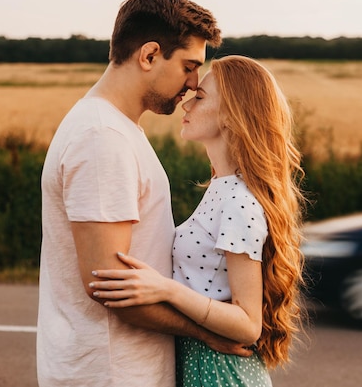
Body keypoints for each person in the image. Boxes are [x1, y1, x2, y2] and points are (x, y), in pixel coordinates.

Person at [37, 0, 250, 387]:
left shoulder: (114, 128)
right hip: (112, 371)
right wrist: (206, 331)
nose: (192, 83)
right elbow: (110, 287)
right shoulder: (103, 138)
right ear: (150, 55)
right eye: (188, 66)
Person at [90, 55, 307, 386]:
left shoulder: (238, 201)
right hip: (204, 365)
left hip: (220, 373)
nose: (186, 104)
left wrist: (166, 290)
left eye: (201, 97)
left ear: (232, 117)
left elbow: (248, 324)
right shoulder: (222, 188)